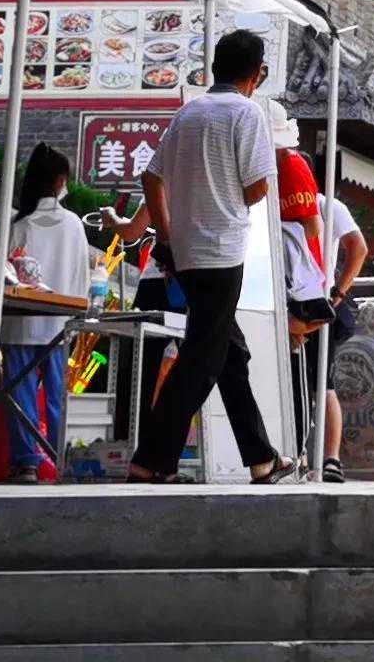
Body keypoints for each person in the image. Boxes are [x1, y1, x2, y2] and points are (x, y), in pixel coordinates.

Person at [122, 30, 287, 484]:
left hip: (186, 252)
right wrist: (232, 192)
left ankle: (262, 459)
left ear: (214, 67)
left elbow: (151, 178)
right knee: (202, 359)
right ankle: (149, 461)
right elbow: (256, 189)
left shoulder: (188, 112)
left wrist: (167, 236)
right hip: (221, 252)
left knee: (230, 353)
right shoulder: (247, 113)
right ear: (257, 74)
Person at [273, 112, 370, 479]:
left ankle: (327, 458)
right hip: (292, 301)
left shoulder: (326, 204)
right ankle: (307, 455)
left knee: (318, 381)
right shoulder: (277, 205)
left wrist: (338, 293)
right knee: (306, 380)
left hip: (317, 301)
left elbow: (358, 247)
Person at [0, 144, 91, 482]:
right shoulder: (74, 224)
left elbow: (4, 273)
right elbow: (82, 277)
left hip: (19, 321)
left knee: (21, 393)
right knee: (57, 396)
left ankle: (26, 463)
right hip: (59, 322)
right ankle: (62, 460)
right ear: (61, 181)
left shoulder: (19, 224)